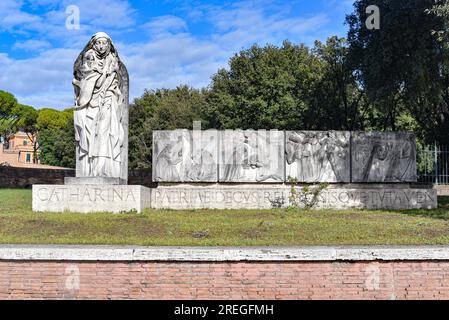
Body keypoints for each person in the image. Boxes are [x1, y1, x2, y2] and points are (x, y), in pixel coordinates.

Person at [73, 32, 126, 178]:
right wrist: (103, 73)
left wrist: (111, 73)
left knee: (106, 134)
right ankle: (89, 170)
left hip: (108, 101)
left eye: (104, 43)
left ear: (110, 45)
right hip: (90, 103)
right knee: (90, 136)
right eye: (98, 43)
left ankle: (103, 169)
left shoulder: (113, 61)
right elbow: (88, 81)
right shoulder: (88, 59)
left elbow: (118, 85)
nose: (101, 46)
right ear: (93, 44)